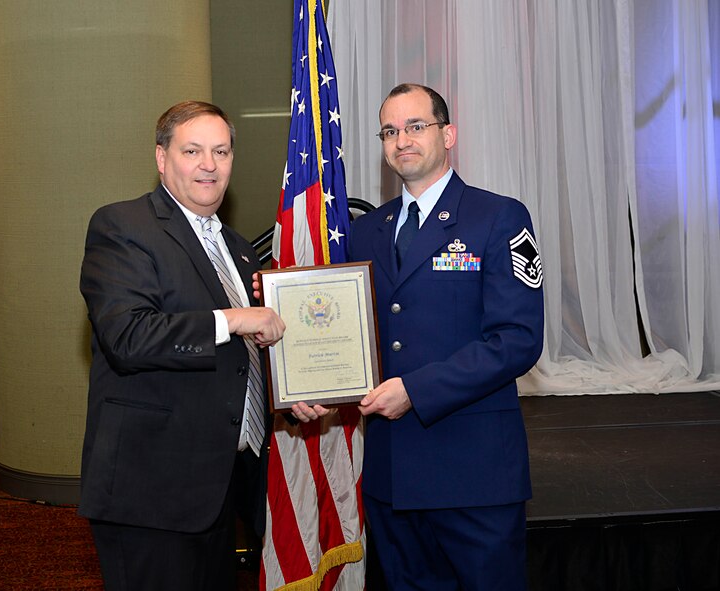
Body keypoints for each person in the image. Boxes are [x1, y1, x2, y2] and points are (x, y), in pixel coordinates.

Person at [291, 83, 545, 590]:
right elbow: (344, 332)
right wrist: (307, 376)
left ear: (447, 134)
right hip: (392, 477)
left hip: (474, 475)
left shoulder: (498, 217)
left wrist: (416, 390)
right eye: (390, 130)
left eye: (415, 126)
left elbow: (518, 339)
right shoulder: (367, 232)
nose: (401, 139)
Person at [78, 100, 285, 591]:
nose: (209, 164)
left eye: (221, 151)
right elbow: (129, 337)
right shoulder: (123, 226)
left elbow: (243, 360)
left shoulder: (236, 247)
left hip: (222, 486)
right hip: (152, 489)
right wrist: (232, 319)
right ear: (161, 158)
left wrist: (295, 393)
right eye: (192, 150)